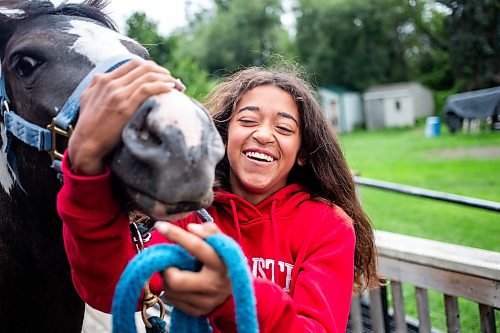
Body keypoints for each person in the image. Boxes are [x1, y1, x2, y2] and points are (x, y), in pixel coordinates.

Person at [57, 59, 380, 332]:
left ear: (302, 154)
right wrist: (86, 174)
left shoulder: (327, 225)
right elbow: (112, 287)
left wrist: (234, 295)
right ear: (224, 136)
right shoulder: (193, 216)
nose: (263, 134)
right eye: (248, 121)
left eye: (284, 129)